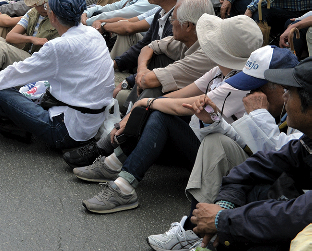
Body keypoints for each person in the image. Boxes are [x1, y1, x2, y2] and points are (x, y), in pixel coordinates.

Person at [76, 14, 264, 214]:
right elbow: (182, 95)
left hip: (218, 157)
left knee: (160, 113)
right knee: (157, 107)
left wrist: (144, 103)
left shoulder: (240, 84)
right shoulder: (220, 70)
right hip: (200, 139)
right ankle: (114, 163)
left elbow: (182, 107)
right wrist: (145, 106)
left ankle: (123, 186)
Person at [147, 46, 300, 251]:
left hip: (290, 199)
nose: (251, 94)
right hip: (269, 183)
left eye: (258, 88)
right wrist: (214, 121)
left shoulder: (300, 110)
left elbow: (285, 159)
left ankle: (206, 232)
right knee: (215, 140)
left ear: (282, 87)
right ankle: (195, 231)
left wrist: (258, 115)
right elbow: (247, 144)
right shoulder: (279, 106)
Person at [66, 0, 216, 169]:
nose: (171, 23)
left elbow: (151, 82)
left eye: (174, 19)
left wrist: (141, 80)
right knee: (130, 92)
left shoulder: (205, 53)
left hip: (196, 129)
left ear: (188, 25)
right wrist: (141, 71)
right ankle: (122, 129)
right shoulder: (187, 37)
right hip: (167, 99)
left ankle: (111, 149)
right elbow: (148, 47)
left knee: (153, 93)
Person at [189, 56, 312, 250]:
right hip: (294, 201)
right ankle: (200, 232)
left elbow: (298, 213)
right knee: (250, 186)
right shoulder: (307, 140)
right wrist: (225, 207)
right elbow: (261, 162)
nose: (285, 96)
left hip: (300, 214)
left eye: (289, 90)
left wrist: (223, 219)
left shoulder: (293, 124)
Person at [0, 0, 114, 149]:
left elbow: (18, 72)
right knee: (17, 84)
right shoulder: (93, 34)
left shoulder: (58, 46)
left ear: (52, 16)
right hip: (92, 121)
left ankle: (17, 127)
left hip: (66, 131)